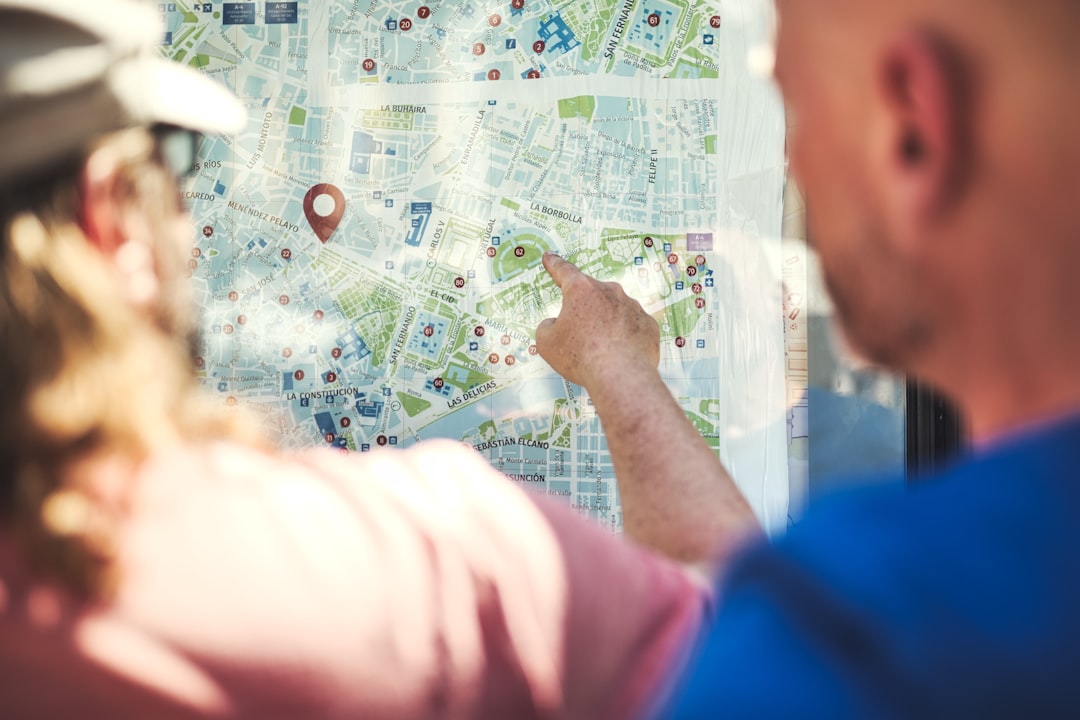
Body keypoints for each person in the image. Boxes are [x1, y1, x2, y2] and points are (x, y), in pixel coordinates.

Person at [0, 1, 749, 717]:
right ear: (108, 215)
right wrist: (620, 369)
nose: (189, 228)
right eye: (172, 158)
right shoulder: (411, 561)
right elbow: (747, 650)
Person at [537, 0, 1080, 716]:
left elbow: (731, 646)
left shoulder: (871, 639)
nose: (791, 164)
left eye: (796, 106)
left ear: (912, 130)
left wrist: (616, 368)